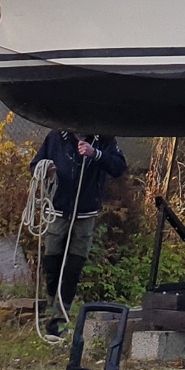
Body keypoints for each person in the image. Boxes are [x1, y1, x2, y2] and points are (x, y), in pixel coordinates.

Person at [36, 130, 128, 334]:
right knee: (52, 260)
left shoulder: (104, 139)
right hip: (57, 209)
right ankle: (50, 308)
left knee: (74, 265)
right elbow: (35, 165)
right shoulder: (56, 136)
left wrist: (96, 154)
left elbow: (119, 168)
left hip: (86, 211)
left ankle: (62, 315)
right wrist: (46, 170)